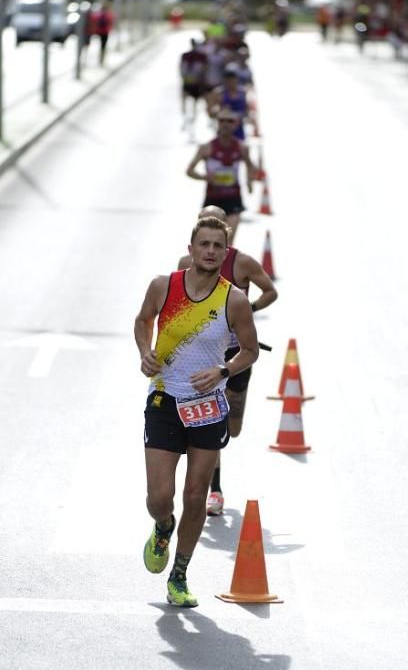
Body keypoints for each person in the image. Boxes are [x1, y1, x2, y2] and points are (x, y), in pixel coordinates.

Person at [135, 216, 258, 607]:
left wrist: (224, 369)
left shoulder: (233, 299)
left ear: (225, 253)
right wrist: (145, 352)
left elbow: (250, 351)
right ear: (190, 249)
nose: (209, 251)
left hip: (207, 409)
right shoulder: (164, 286)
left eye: (216, 246)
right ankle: (162, 527)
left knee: (194, 495)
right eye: (203, 244)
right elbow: (142, 321)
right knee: (159, 496)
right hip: (164, 401)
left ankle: (179, 574)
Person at [178, 206, 278, 515]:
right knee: (212, 420)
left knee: (232, 429)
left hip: (238, 356)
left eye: (218, 234)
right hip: (207, 357)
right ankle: (215, 490)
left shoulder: (243, 262)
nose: (210, 246)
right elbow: (177, 302)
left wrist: (246, 311)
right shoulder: (185, 264)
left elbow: (271, 291)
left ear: (226, 233)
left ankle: (213, 477)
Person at [186, 108, 257, 239]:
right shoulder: (207, 148)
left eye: (230, 121)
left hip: (234, 199)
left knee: (227, 243)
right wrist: (205, 177)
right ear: (217, 123)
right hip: (213, 200)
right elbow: (189, 171)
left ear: (236, 124)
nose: (225, 124)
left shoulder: (241, 148)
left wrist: (249, 182)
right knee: (209, 241)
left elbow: (251, 166)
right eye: (222, 120)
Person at [206, 63, 249, 140]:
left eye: (232, 81)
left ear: (236, 80)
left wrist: (243, 115)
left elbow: (248, 110)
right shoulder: (219, 93)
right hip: (224, 128)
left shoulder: (243, 92)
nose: (230, 84)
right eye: (227, 81)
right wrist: (220, 113)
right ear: (224, 81)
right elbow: (210, 112)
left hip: (239, 127)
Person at [180, 38, 208, 123]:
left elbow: (204, 69)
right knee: (185, 98)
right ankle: (185, 115)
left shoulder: (202, 56)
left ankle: (193, 116)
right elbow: (182, 68)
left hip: (196, 82)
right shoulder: (185, 55)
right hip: (188, 81)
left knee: (194, 101)